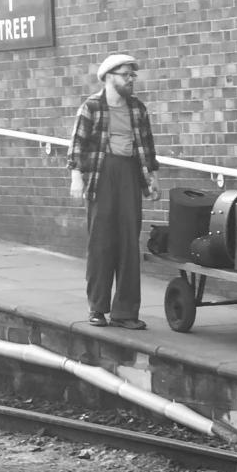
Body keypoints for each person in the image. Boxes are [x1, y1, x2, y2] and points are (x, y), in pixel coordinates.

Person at [67, 53, 160, 330]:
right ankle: (97, 308)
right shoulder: (91, 107)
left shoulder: (137, 109)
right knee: (101, 242)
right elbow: (77, 145)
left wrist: (153, 178)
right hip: (102, 174)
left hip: (130, 172)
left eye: (133, 75)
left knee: (129, 242)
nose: (131, 80)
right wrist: (76, 178)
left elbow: (148, 146)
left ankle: (125, 312)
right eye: (125, 75)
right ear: (109, 77)